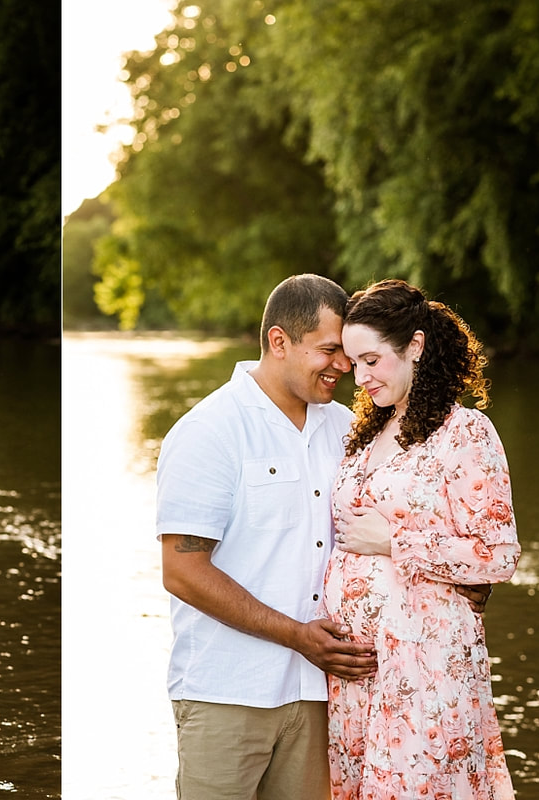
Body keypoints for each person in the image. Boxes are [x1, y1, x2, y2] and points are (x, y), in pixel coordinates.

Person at [157, 274, 379, 800]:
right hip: (227, 692)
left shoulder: (347, 429)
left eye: (346, 353)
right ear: (279, 342)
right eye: (328, 350)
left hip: (320, 695)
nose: (343, 367)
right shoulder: (210, 430)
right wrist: (298, 636)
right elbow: (182, 571)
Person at [323, 279, 520, 799]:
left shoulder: (466, 433)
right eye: (353, 363)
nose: (359, 377)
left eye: (371, 360)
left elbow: (496, 554)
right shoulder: (365, 436)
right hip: (356, 672)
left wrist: (396, 541)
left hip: (426, 666)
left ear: (415, 346)